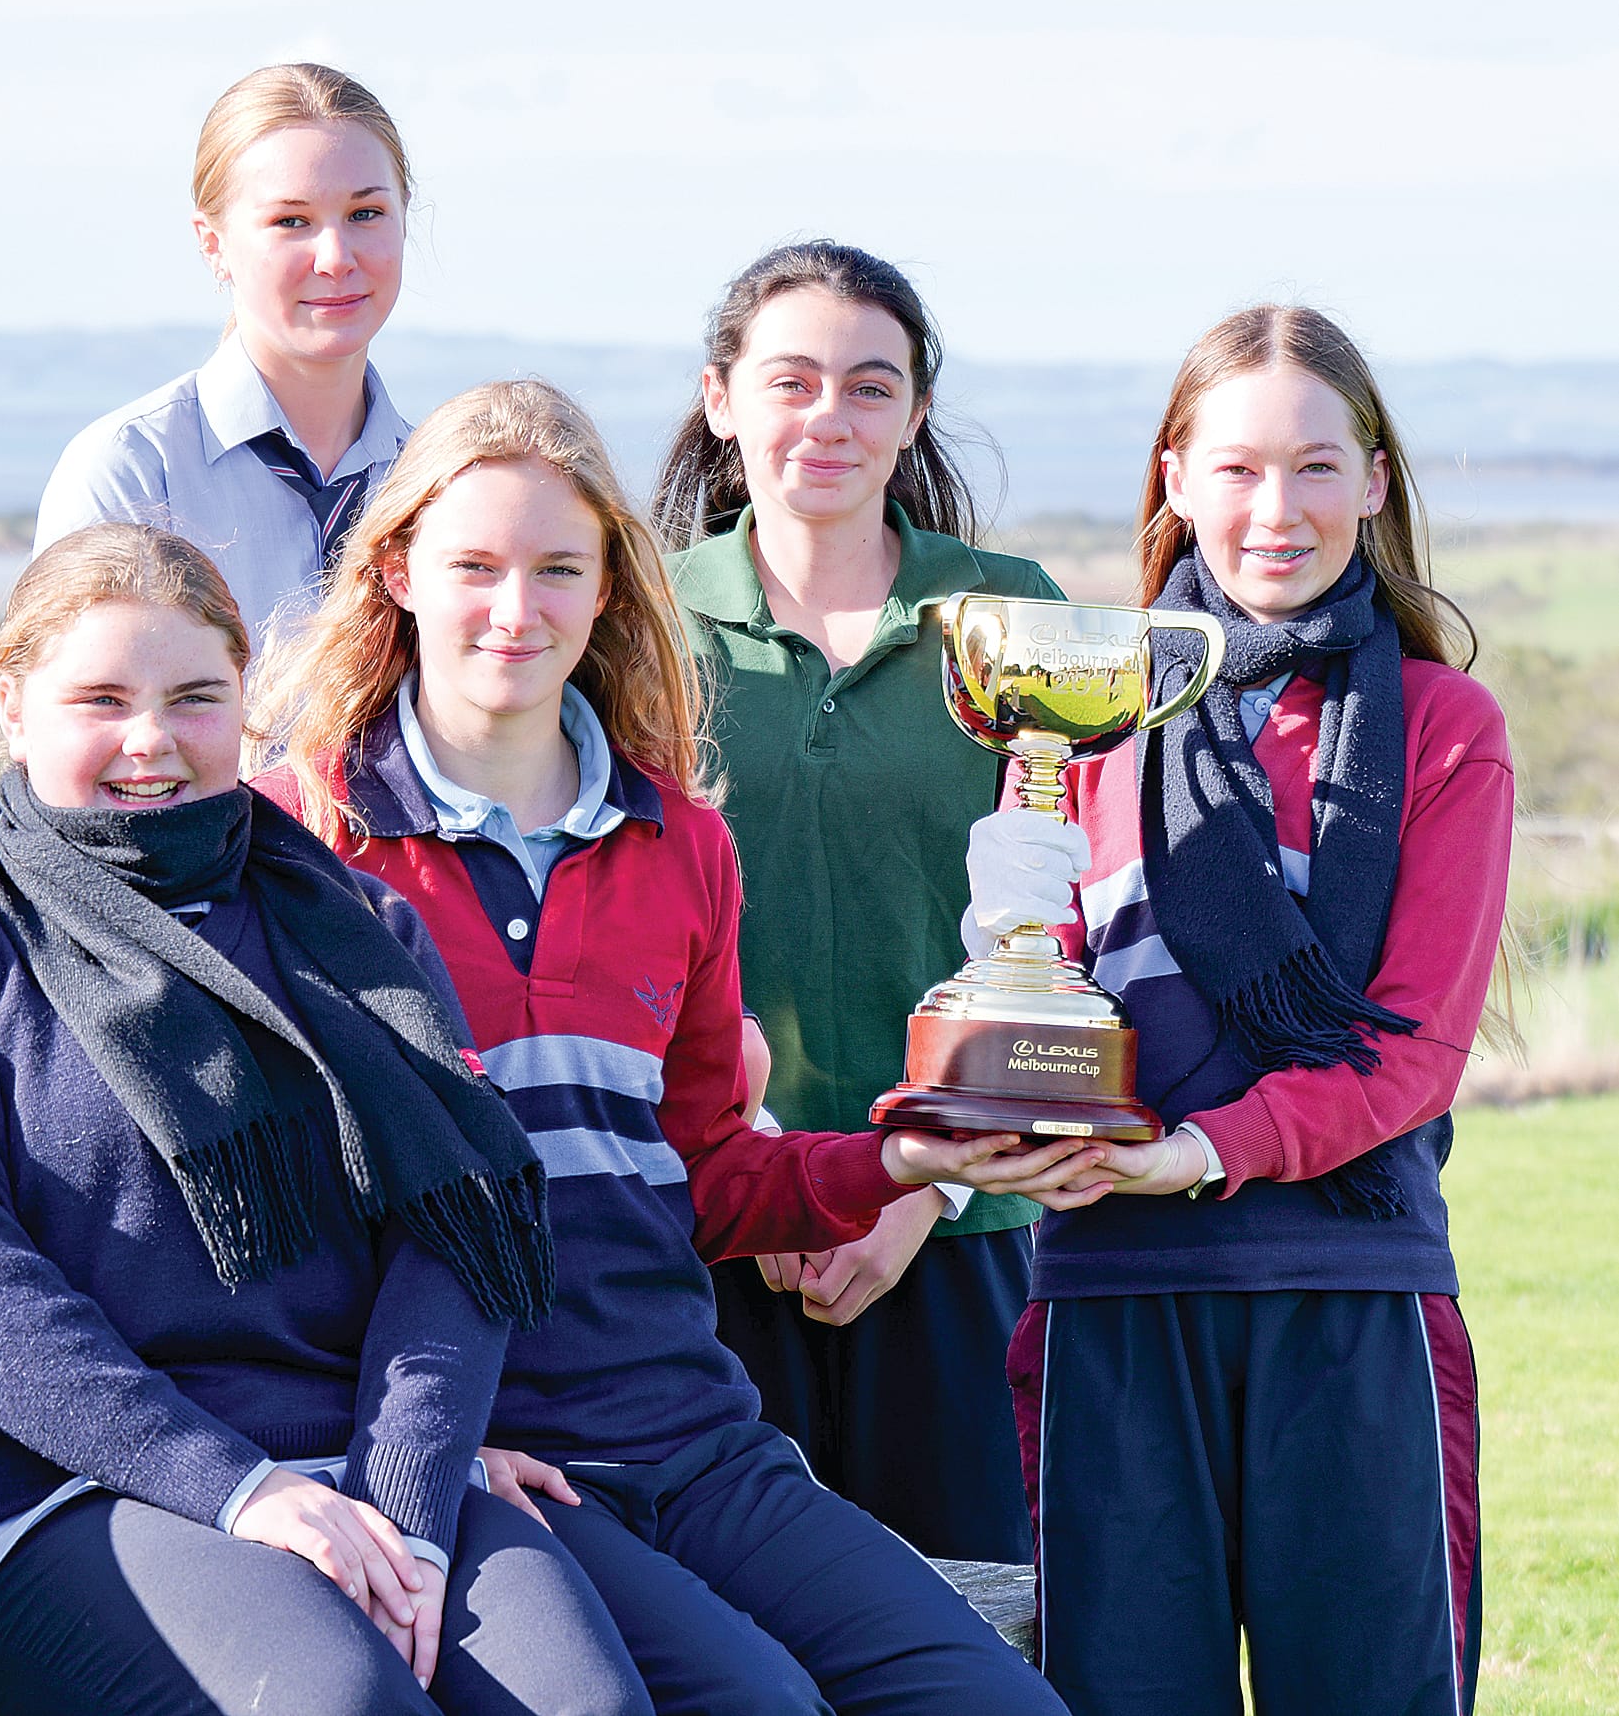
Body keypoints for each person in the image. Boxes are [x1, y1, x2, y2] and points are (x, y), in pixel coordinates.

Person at [250, 378, 1080, 1716]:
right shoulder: (293, 836)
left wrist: (902, 1155)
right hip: (486, 1452)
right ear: (396, 569)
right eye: (474, 564)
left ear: (609, 591)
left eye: (556, 569)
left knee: (996, 1703)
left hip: (689, 1425)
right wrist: (419, 1452)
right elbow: (269, 1209)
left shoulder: (680, 842)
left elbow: (699, 1172)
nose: (514, 609)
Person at [0, 526, 649, 1716]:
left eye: (194, 696)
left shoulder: (361, 931)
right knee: (336, 1706)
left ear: (244, 706)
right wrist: (237, 1487)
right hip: (55, 1493)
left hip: (358, 1474)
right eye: (100, 698)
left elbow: (454, 1235)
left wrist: (404, 1506)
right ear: (13, 708)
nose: (150, 740)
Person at [966, 306, 1512, 1716]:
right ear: (1174, 476)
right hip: (1111, 1292)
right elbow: (1045, 988)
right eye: (1238, 468)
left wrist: (1205, 1150)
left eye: (1318, 466)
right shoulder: (1085, 714)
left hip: (1352, 1293)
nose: (1277, 511)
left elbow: (1413, 1050)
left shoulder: (1445, 726)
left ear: (1377, 481)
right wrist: (1014, 1103)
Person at [651, 239, 1065, 1564]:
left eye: (868, 386)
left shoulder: (1013, 615)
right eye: (790, 381)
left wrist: (914, 1190)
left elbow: (1069, 920)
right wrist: (767, 1175)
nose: (828, 416)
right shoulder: (636, 622)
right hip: (704, 1230)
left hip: (961, 1225)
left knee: (971, 1632)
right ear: (722, 399)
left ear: (915, 412)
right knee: (728, 1643)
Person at [36, 64, 413, 643]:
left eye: (366, 214)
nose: (336, 257)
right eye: (291, 221)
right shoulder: (133, 473)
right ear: (213, 245)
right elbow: (79, 715)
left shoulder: (440, 482)